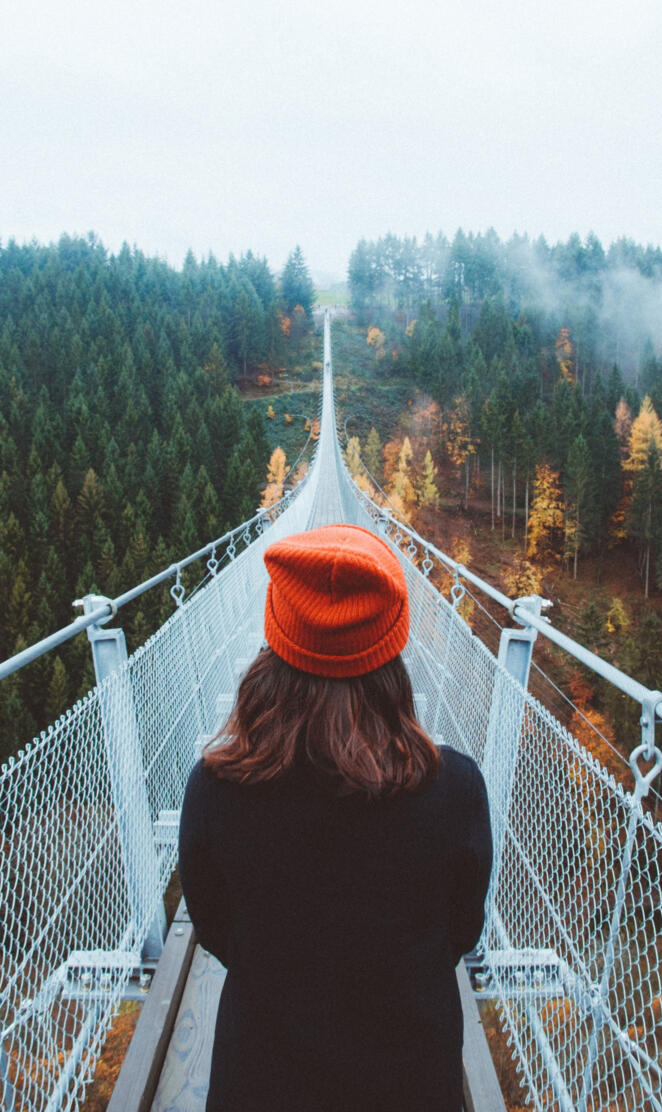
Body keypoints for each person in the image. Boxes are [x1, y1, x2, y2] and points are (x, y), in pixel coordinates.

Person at [179, 523, 492, 1112]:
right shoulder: (455, 790)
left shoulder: (215, 791)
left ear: (275, 640)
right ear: (392, 648)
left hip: (261, 1081)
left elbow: (218, 932)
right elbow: (461, 932)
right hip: (411, 1083)